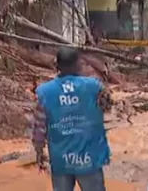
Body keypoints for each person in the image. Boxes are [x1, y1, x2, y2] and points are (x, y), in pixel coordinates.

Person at [32, 47, 111, 191]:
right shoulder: (94, 86)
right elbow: (107, 107)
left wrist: (39, 151)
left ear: (57, 66)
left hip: (61, 159)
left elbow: (39, 126)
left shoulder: (45, 92)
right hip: (89, 158)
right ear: (78, 64)